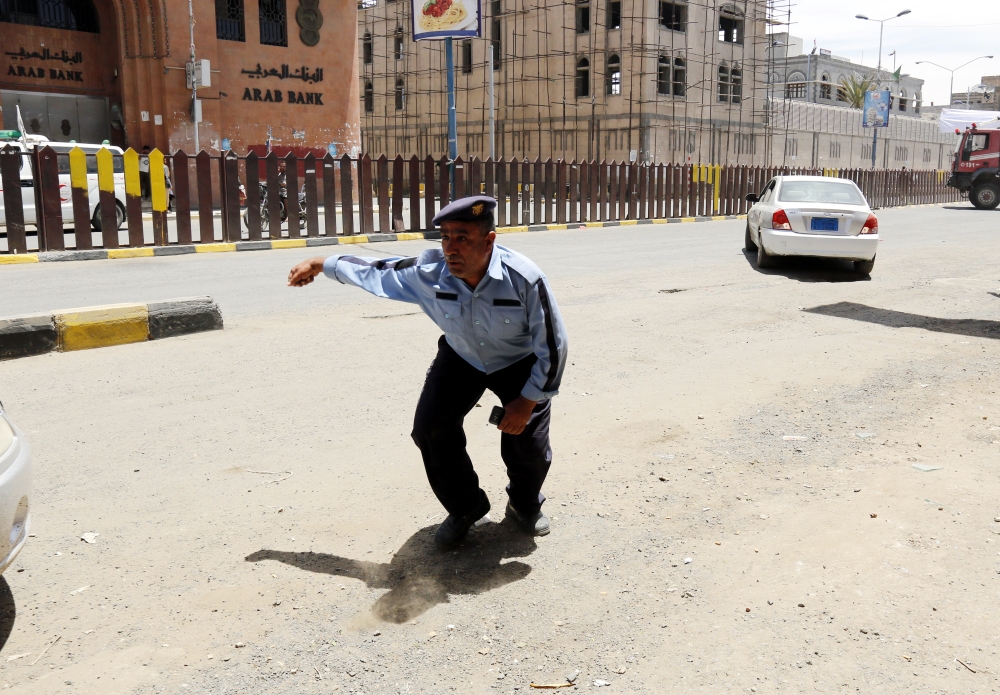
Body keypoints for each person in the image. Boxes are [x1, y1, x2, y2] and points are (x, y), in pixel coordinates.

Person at [287, 196, 568, 551]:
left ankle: (524, 503)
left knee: (526, 438)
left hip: (518, 361)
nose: (451, 248)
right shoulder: (428, 271)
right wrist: (319, 263)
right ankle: (467, 507)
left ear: (489, 240)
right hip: (462, 355)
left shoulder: (524, 278)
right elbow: (375, 270)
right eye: (445, 237)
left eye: (462, 237)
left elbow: (554, 345)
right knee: (430, 430)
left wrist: (527, 401)